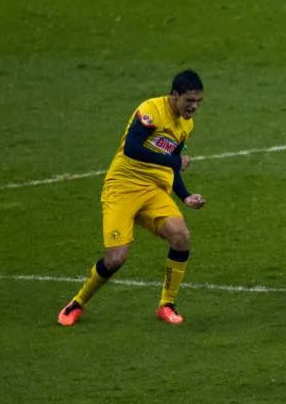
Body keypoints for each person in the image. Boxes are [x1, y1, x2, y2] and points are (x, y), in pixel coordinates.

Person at [57, 70, 206, 326]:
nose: (193, 107)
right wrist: (174, 160)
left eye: (198, 102)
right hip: (122, 188)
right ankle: (77, 303)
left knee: (181, 237)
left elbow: (172, 166)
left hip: (153, 191)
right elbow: (132, 148)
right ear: (175, 95)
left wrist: (185, 196)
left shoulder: (186, 125)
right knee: (116, 259)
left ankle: (167, 304)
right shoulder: (151, 111)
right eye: (189, 100)